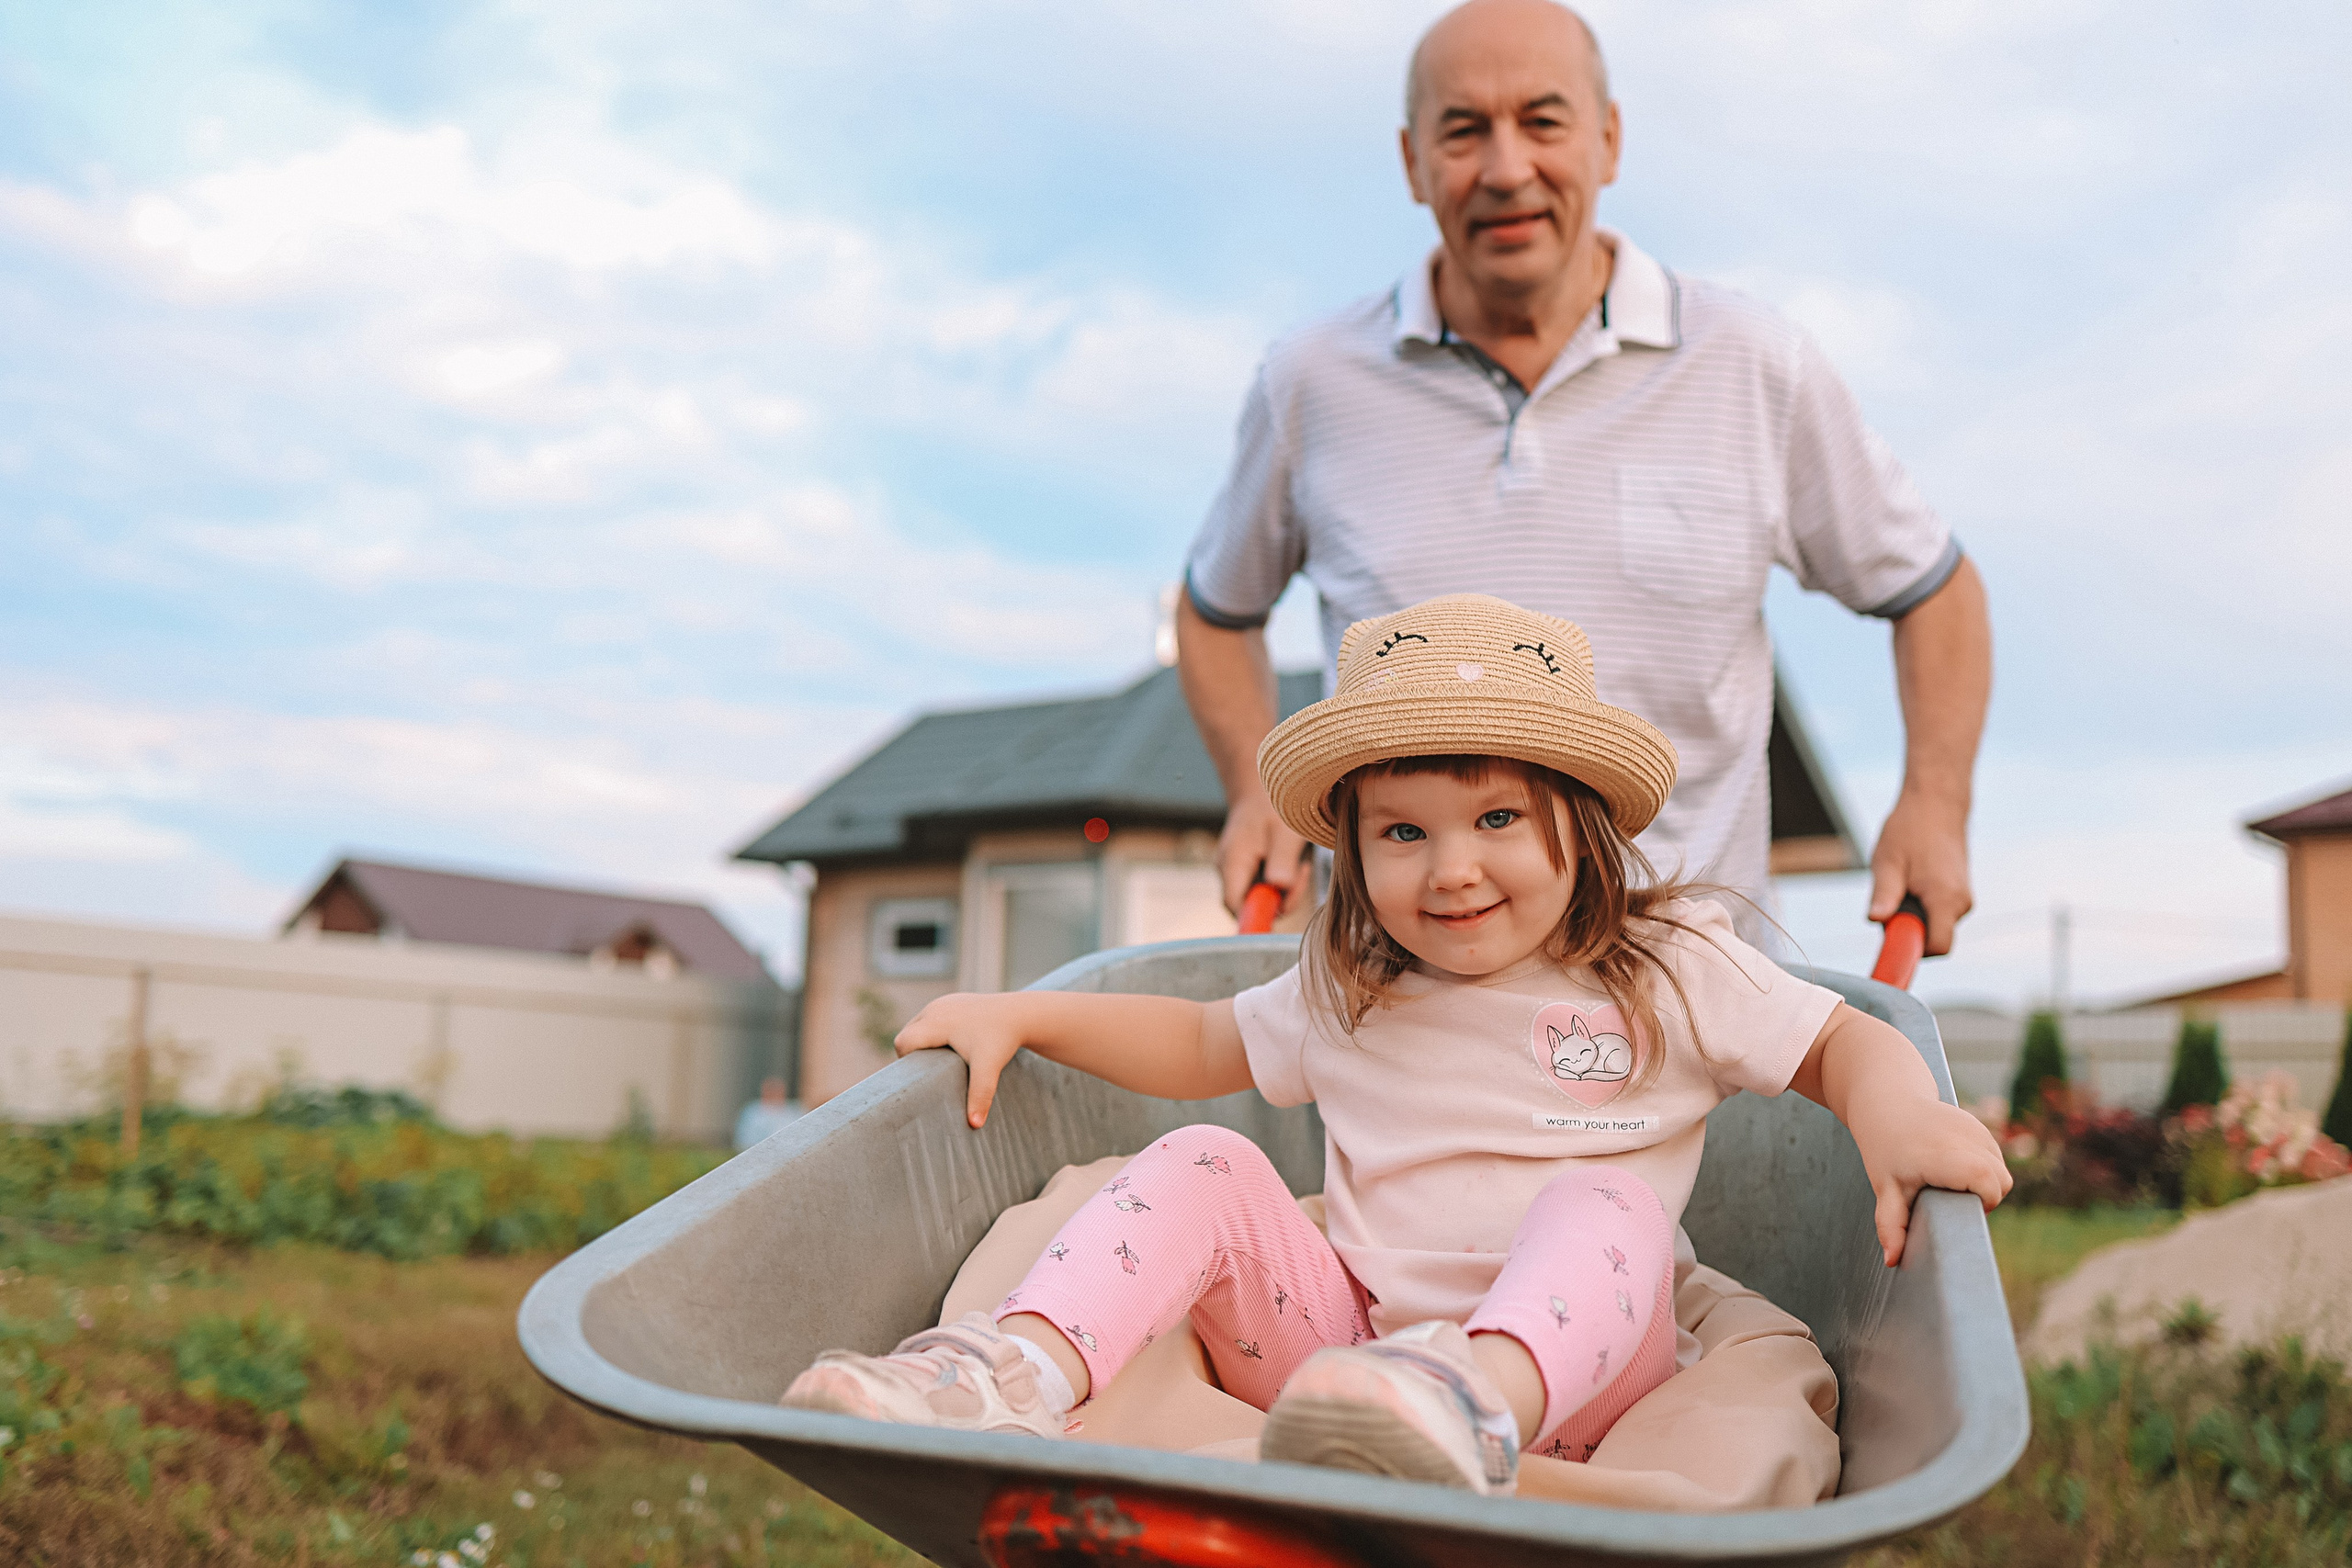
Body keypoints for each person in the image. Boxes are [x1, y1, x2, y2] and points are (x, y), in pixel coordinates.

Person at [781, 596, 2007, 1494]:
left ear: (1575, 827)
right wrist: (1028, 1010)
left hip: (1574, 1383)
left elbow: (1840, 1038)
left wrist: (1893, 1109)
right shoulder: (1354, 981)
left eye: (1493, 817)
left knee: (1609, 1200)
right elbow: (1200, 1035)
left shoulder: (1663, 960)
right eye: (1403, 830)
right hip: (1348, 1370)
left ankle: (1473, 1400)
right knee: (1208, 1155)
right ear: (1355, 853)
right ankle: (1009, 1374)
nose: (1453, 865)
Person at [1178, 0, 1991, 958]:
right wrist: (1250, 793)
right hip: (1403, 1010)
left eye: (1543, 121)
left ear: (1607, 140)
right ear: (1412, 163)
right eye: (1463, 130)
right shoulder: (1311, 381)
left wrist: (1934, 807)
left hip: (1693, 993)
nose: (1506, 167)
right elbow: (1215, 611)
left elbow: (1932, 590)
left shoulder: (1751, 363)